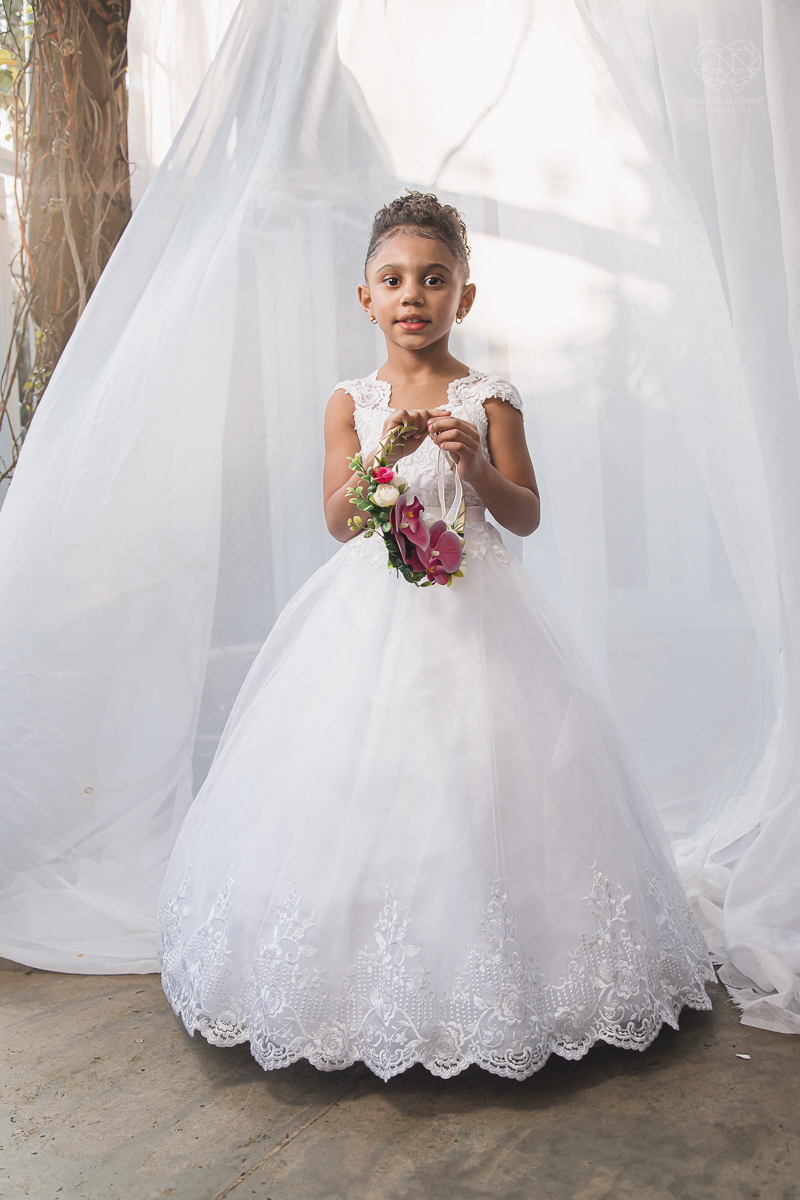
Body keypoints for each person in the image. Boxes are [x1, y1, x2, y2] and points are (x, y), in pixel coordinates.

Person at [158, 192, 713, 1082]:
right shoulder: (350, 400)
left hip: (481, 614)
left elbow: (524, 516)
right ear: (365, 299)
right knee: (363, 779)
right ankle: (348, 989)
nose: (413, 294)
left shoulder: (489, 395)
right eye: (393, 279)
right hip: (369, 613)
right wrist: (384, 460)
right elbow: (340, 522)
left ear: (466, 296)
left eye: (434, 278)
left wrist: (473, 465)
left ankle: (512, 982)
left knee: (485, 778)